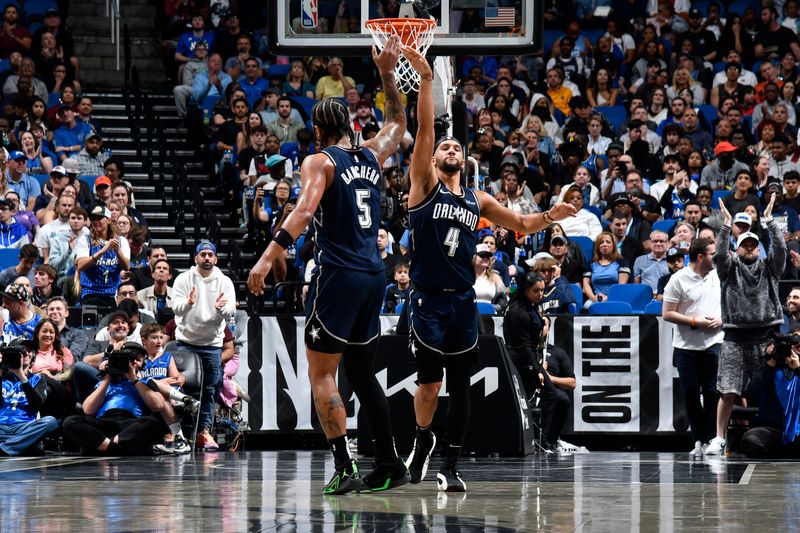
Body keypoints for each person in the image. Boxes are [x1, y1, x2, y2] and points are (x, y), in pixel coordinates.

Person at [397, 46, 575, 493]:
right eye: (445, 147)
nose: (451, 148)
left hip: (461, 302)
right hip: (426, 300)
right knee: (430, 385)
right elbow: (423, 129)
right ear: (435, 160)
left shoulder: (478, 200)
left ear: (465, 160)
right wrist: (423, 81)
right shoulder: (422, 186)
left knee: (461, 385)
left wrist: (554, 214)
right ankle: (422, 440)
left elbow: (521, 223)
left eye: (458, 145)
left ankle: (450, 465)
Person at [247, 37, 412, 495]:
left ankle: (345, 466)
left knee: (323, 374)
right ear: (351, 126)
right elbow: (398, 120)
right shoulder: (373, 153)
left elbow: (301, 213)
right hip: (375, 276)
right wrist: (385, 72)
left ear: (317, 131)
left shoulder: (319, 161)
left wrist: (266, 258)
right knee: (362, 374)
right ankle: (389, 462)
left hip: (338, 276)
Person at [705, 195, 786, 456]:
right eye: (745, 245)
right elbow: (718, 254)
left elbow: (781, 249)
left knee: (774, 388)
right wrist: (726, 226)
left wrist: (770, 222)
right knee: (728, 390)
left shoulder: (770, 267)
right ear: (737, 248)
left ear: (759, 248)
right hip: (735, 338)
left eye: (753, 245)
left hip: (767, 337)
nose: (750, 248)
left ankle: (782, 430)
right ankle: (718, 438)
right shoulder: (728, 269)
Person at [172, 240, 236, 452]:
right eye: (203, 254)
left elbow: (231, 313)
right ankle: (183, 431)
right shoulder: (183, 279)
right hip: (186, 342)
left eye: (210, 254)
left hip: (212, 344)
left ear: (215, 259)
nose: (207, 258)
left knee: (210, 389)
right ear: (196, 258)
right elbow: (176, 308)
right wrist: (189, 303)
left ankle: (204, 431)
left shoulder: (224, 281)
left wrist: (220, 310)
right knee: (183, 389)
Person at [662, 238, 724, 457]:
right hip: (686, 346)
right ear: (700, 257)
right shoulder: (677, 280)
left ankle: (712, 439)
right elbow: (667, 313)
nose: (716, 257)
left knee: (711, 393)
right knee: (690, 394)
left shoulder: (718, 275)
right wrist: (695, 322)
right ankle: (697, 439)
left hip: (713, 343)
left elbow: (729, 303)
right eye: (712, 253)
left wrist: (721, 319)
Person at [62, 345, 166, 455]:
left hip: (130, 424)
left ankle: (103, 446)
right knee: (70, 422)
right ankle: (116, 448)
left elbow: (158, 406)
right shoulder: (103, 383)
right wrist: (107, 378)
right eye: (129, 361)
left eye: (136, 360)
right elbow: (88, 410)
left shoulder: (145, 382)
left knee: (152, 423)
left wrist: (134, 379)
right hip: (104, 422)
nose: (132, 363)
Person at [739, 334, 800, 458]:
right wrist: (770, 362)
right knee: (750, 439)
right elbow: (751, 394)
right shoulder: (770, 368)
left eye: (797, 346)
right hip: (774, 429)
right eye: (789, 347)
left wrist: (798, 368)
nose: (791, 351)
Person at [0, 341, 58, 456]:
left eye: (27, 351)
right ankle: (22, 445)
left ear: (33, 357)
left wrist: (21, 375)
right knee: (32, 445)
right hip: (1, 426)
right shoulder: (3, 378)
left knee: (50, 422)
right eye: (20, 351)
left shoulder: (38, 379)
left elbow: (38, 404)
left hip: (24, 427)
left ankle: (5, 448)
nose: (25, 353)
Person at [74, 205, 130, 307]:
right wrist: (102, 251)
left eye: (99, 218)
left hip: (112, 294)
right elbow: (80, 265)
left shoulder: (121, 241)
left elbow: (126, 267)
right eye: (93, 219)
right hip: (90, 293)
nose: (95, 221)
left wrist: (117, 250)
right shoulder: (85, 239)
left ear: (108, 220)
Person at [582, 232, 630, 308]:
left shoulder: (622, 262)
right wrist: (594, 298)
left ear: (613, 245)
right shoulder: (590, 264)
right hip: (595, 298)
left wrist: (608, 298)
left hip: (615, 298)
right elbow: (586, 285)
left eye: (608, 242)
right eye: (601, 242)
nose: (605, 245)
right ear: (598, 246)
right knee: (587, 306)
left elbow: (621, 286)